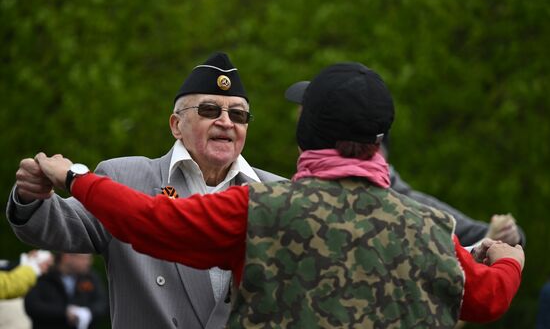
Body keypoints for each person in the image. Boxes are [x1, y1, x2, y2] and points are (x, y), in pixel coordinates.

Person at [34, 62, 524, 328]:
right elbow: (487, 299)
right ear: (378, 141)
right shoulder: (427, 228)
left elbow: (154, 224)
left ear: (309, 131)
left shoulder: (264, 209)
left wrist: (75, 177)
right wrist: (509, 260)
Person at [6, 52, 284, 329]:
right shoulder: (124, 178)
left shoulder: (278, 193)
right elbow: (57, 226)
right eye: (209, 110)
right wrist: (31, 195)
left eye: (238, 114)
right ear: (176, 125)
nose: (226, 121)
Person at [285, 80, 525, 247]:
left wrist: (501, 237)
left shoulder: (417, 212)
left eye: (312, 126)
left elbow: (493, 240)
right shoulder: (288, 200)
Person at [24, 253, 108, 329]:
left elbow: (102, 303)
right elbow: (32, 306)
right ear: (66, 257)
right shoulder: (44, 276)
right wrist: (64, 312)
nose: (88, 262)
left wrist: (88, 313)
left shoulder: (90, 277)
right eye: (83, 258)